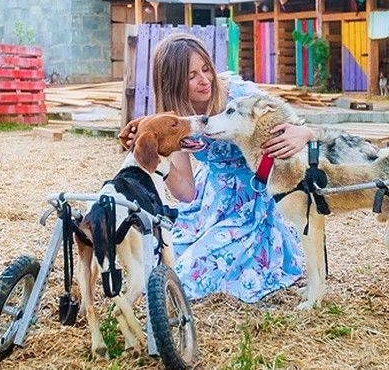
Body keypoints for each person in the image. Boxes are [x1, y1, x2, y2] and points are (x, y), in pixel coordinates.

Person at [130, 33, 316, 303]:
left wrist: (303, 132)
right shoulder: (175, 120)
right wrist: (160, 156)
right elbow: (186, 192)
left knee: (189, 272)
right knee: (158, 255)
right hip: (209, 201)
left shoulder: (240, 97)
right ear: (172, 82)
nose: (204, 80)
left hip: (251, 202)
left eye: (206, 69)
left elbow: (289, 119)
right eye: (191, 75)